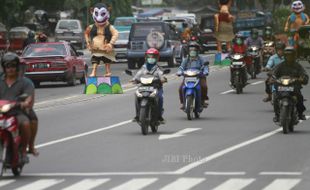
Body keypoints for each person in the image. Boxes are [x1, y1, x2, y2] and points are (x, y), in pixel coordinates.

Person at [0, 52, 38, 158]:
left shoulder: (25, 82)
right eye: (8, 66)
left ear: (17, 67)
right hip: (1, 112)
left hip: (16, 112)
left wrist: (24, 103)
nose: (10, 69)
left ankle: (24, 149)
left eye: (13, 66)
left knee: (26, 124)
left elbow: (29, 97)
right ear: (4, 67)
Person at [272, 47, 309, 122]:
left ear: (294, 56)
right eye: (287, 55)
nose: (289, 57)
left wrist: (303, 78)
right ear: (285, 56)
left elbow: (304, 75)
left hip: (294, 86)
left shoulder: (298, 66)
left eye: (291, 55)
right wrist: (272, 78)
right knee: (275, 98)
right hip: (281, 86)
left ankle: (300, 113)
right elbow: (274, 73)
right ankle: (277, 115)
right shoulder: (280, 65)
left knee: (299, 97)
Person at [132, 48, 167, 123]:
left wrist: (163, 79)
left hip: (156, 87)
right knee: (136, 96)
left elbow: (162, 75)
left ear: (157, 58)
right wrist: (134, 79)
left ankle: (159, 116)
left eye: (153, 57)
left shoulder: (158, 68)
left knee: (160, 98)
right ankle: (138, 115)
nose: (151, 58)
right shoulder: (143, 67)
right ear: (146, 57)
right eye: (149, 56)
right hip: (143, 87)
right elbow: (138, 74)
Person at [84, 3, 119, 77]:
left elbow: (116, 33)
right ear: (92, 12)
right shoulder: (91, 27)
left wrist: (111, 43)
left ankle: (108, 71)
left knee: (107, 59)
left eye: (103, 14)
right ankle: (93, 72)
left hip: (105, 48)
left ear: (107, 12)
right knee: (95, 60)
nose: (99, 18)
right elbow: (86, 33)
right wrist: (88, 42)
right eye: (96, 13)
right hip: (96, 48)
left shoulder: (109, 27)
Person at [177, 41, 209, 109]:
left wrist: (205, 72)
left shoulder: (201, 59)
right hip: (187, 77)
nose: (192, 51)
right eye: (191, 50)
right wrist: (179, 72)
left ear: (197, 51)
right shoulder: (186, 59)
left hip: (199, 77)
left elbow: (205, 66)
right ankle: (183, 103)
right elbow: (181, 67)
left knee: (204, 86)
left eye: (194, 50)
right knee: (180, 88)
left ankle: (203, 101)